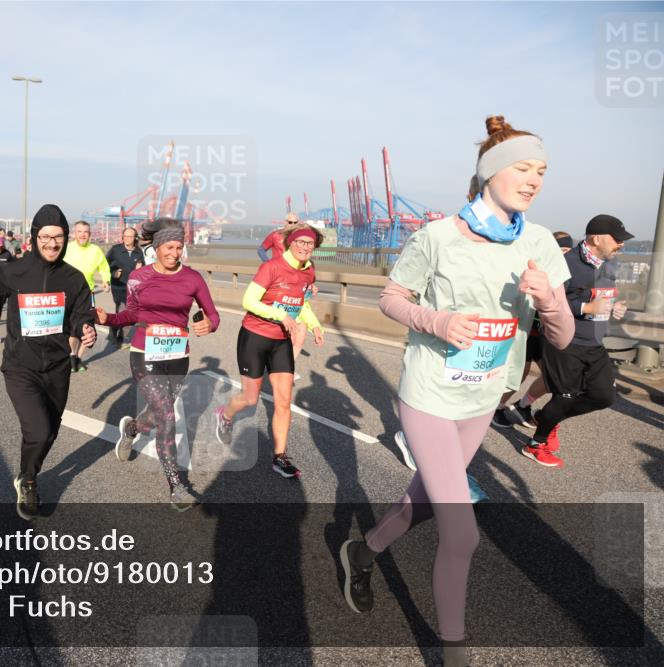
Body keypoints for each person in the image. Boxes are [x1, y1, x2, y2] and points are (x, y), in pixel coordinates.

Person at [338, 116, 574, 667]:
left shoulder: (539, 242)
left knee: (423, 500)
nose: (534, 179)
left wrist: (550, 302)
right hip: (427, 395)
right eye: (523, 167)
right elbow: (392, 299)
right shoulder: (436, 236)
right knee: (461, 530)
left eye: (541, 170)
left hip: (483, 396)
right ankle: (454, 651)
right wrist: (437, 322)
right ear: (490, 172)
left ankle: (363, 551)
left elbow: (561, 336)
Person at [0, 204, 97, 521]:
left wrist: (86, 329)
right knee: (39, 430)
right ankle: (28, 481)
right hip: (20, 366)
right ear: (34, 237)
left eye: (58, 237)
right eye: (45, 236)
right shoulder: (13, 272)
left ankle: (26, 472)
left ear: (66, 238)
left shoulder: (74, 278)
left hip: (57, 366)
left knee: (50, 430)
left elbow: (83, 313)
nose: (52, 243)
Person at [95, 220, 219, 511]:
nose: (174, 253)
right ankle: (176, 485)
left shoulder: (193, 279)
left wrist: (208, 326)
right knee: (167, 416)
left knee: (157, 414)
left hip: (177, 355)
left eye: (179, 247)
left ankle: (133, 428)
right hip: (144, 352)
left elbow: (212, 315)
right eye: (169, 247)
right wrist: (108, 320)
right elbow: (131, 315)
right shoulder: (139, 277)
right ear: (156, 248)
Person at [213, 223, 326, 479]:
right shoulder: (271, 267)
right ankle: (225, 415)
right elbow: (249, 301)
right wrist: (279, 314)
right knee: (250, 399)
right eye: (301, 242)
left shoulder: (309, 272)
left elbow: (300, 304)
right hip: (254, 337)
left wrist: (314, 325)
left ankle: (279, 457)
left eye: (310, 244)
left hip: (281, 341)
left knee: (284, 402)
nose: (305, 248)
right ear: (290, 243)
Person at [522, 215, 632, 468]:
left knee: (604, 396)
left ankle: (546, 417)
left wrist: (614, 307)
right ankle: (536, 444)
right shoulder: (567, 263)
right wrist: (587, 306)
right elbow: (548, 301)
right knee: (566, 396)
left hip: (594, 343)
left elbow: (601, 296)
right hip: (566, 341)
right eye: (617, 240)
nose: (621, 245)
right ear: (596, 238)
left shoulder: (610, 265)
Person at [490, 230, 574, 430]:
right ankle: (496, 407)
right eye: (560, 249)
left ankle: (523, 405)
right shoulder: (537, 266)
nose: (563, 255)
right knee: (518, 373)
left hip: (546, 333)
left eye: (567, 251)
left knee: (550, 376)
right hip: (527, 330)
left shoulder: (567, 272)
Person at [63, 221, 111, 372]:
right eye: (80, 232)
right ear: (74, 233)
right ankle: (71, 355)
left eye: (86, 232)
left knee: (88, 328)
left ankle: (79, 357)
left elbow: (104, 267)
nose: (83, 235)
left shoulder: (95, 250)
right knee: (71, 329)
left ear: (89, 234)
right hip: (68, 294)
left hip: (87, 294)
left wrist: (106, 280)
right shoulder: (67, 248)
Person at [105, 226, 144, 347]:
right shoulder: (115, 250)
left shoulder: (138, 251)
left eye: (130, 236)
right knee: (123, 310)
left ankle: (114, 329)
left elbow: (143, 267)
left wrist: (140, 269)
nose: (127, 238)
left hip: (132, 287)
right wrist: (113, 273)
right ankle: (121, 339)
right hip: (119, 286)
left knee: (130, 313)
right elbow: (104, 264)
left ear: (135, 238)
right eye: (125, 236)